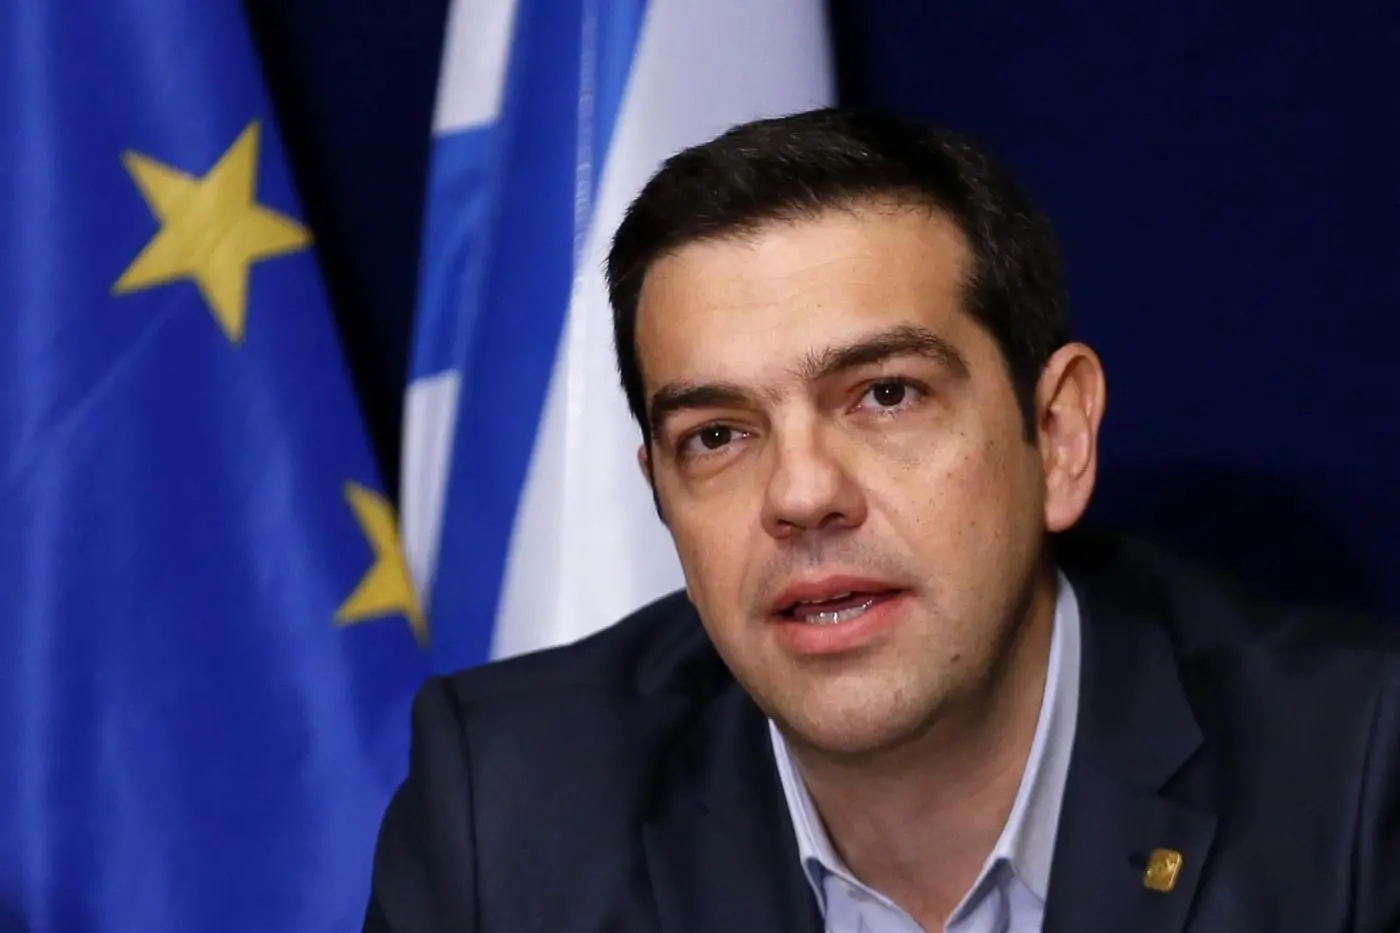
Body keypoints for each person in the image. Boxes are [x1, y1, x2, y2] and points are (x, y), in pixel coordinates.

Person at [362, 109, 1400, 933]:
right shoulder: (507, 808)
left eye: (885, 395)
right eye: (716, 436)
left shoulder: (1353, 777)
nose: (801, 495)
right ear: (660, 495)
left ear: (1059, 436)